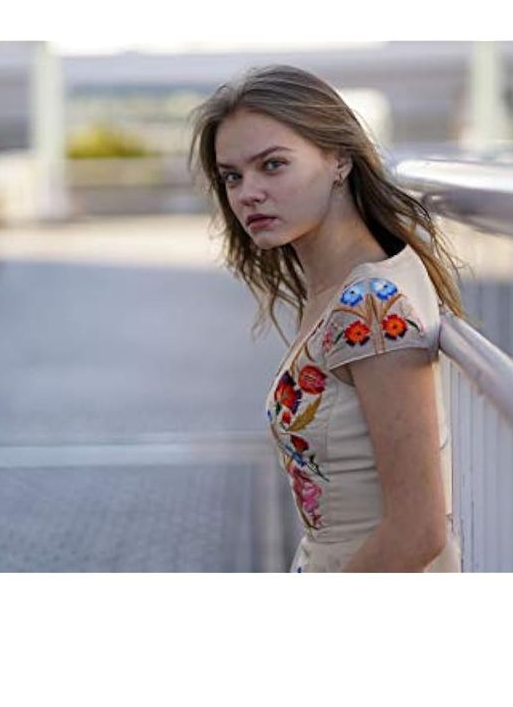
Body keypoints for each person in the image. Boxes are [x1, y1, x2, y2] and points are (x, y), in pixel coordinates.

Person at [187, 64, 468, 572]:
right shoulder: (344, 285)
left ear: (339, 159)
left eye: (273, 165)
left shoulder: (373, 307)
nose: (247, 193)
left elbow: (418, 531)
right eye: (232, 176)